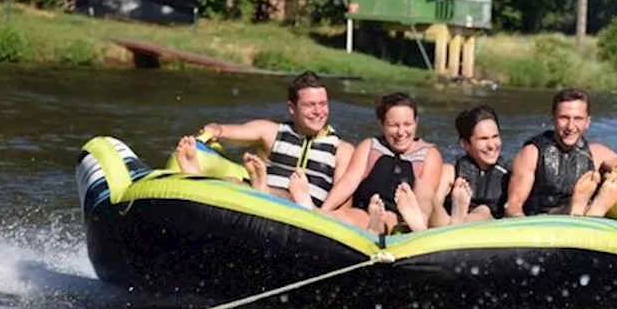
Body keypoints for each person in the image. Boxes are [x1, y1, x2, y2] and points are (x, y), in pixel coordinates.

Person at [175, 70, 353, 209]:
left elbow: (341, 205)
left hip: (306, 210)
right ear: (292, 108)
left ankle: (263, 188)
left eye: (323, 104)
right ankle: (197, 179)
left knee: (291, 197)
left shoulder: (341, 150)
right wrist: (215, 130)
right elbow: (229, 131)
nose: (318, 112)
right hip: (261, 204)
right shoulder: (272, 132)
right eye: (310, 105)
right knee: (234, 182)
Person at [504, 88, 617, 219]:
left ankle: (590, 209)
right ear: (553, 119)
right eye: (564, 118)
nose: (570, 126)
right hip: (544, 220)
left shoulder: (597, 154)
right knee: (580, 208)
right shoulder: (532, 153)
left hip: (584, 222)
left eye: (578, 119)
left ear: (587, 122)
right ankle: (584, 208)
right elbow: (513, 206)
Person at [318, 92, 443, 235]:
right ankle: (374, 226)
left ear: (416, 122)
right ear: (382, 125)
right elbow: (349, 181)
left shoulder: (429, 154)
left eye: (407, 124)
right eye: (393, 125)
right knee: (343, 216)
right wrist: (324, 210)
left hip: (403, 218)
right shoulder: (369, 146)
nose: (401, 132)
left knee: (422, 187)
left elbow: (427, 195)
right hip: (366, 213)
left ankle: (417, 225)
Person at [429, 105, 509, 228]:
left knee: (484, 211)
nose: (492, 145)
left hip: (490, 227)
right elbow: (434, 211)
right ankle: (456, 219)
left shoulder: (509, 175)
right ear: (465, 144)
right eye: (483, 139)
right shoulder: (450, 173)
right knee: (429, 193)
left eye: (495, 137)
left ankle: (459, 220)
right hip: (443, 227)